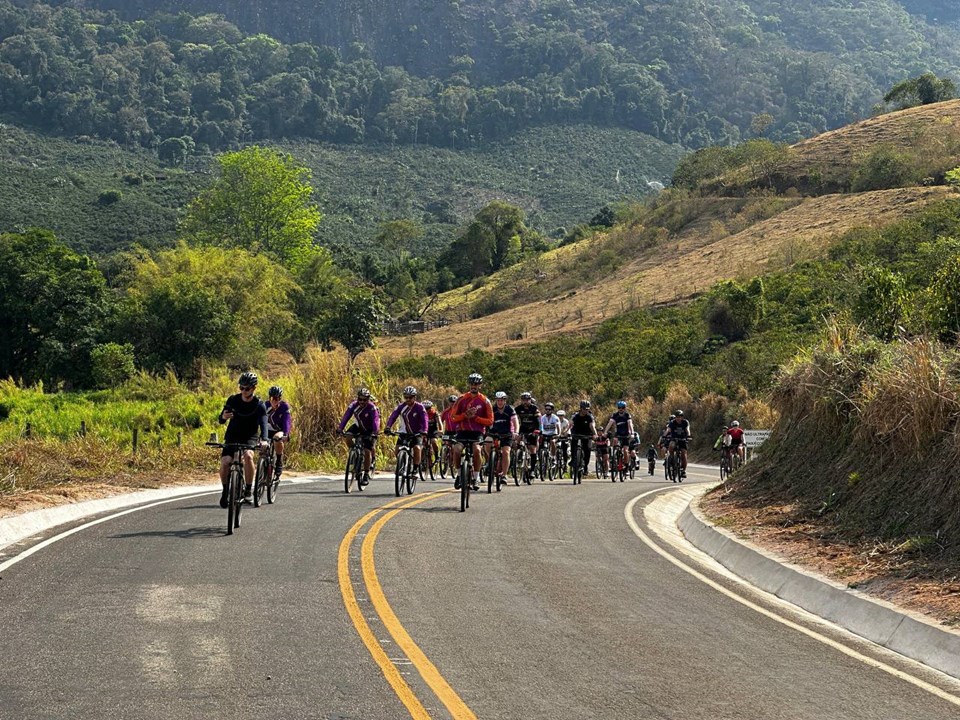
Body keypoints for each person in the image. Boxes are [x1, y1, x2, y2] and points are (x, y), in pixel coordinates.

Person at [218, 371, 269, 507]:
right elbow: (221, 420)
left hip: (250, 436)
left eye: (246, 388)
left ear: (253, 388)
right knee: (225, 462)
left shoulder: (259, 405)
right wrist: (223, 417)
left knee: (248, 456)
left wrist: (264, 439)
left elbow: (264, 424)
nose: (243, 391)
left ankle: (247, 489)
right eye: (241, 387)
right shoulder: (233, 400)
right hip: (233, 435)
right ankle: (225, 490)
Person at [450, 373, 494, 491]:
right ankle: (459, 475)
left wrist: (476, 418)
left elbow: (490, 421)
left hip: (477, 432)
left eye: (476, 384)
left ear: (480, 385)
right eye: (471, 384)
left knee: (477, 450)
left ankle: (476, 477)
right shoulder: (461, 399)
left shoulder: (485, 401)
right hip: (463, 431)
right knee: (457, 450)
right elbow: (453, 417)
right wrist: (464, 415)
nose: (473, 386)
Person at [338, 388, 381, 486]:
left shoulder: (372, 407)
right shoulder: (353, 405)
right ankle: (354, 453)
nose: (362, 402)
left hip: (369, 429)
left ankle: (366, 473)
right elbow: (346, 416)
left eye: (364, 400)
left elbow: (376, 421)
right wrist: (340, 428)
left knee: (367, 451)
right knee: (348, 437)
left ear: (368, 399)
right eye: (360, 399)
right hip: (358, 426)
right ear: (357, 399)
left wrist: (375, 432)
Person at [385, 386, 428, 471]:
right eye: (406, 397)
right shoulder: (401, 406)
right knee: (397, 450)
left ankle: (415, 468)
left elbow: (425, 420)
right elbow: (393, 416)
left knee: (417, 448)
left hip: (417, 433)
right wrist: (388, 427)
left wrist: (424, 430)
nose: (408, 399)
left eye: (410, 397)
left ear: (414, 397)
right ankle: (402, 463)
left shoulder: (420, 407)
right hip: (403, 432)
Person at [487, 391, 518, 486]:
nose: (499, 402)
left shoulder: (510, 409)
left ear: (505, 401)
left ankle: (504, 475)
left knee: (506, 452)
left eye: (501, 400)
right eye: (498, 400)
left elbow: (515, 422)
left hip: (506, 433)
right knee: (486, 442)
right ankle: (490, 462)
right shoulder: (492, 409)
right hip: (494, 432)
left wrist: (516, 432)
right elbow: (488, 421)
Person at [265, 385, 291, 480]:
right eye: (272, 398)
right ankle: (263, 466)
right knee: (263, 449)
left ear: (280, 398)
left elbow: (287, 421)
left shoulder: (284, 406)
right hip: (267, 431)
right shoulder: (265, 405)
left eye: (277, 398)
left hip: (278, 430)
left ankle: (279, 460)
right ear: (269, 398)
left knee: (277, 438)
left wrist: (286, 434)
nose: (274, 401)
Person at [604, 400, 636, 476]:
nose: (621, 409)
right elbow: (610, 423)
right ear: (617, 408)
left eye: (622, 408)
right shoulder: (615, 415)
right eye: (619, 407)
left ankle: (627, 467)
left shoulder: (627, 415)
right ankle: (614, 458)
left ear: (625, 408)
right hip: (618, 434)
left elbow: (630, 424)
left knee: (625, 451)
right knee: (615, 441)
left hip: (626, 435)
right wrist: (605, 432)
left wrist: (632, 433)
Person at [514, 392, 541, 476]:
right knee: (516, 442)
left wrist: (537, 430)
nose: (525, 402)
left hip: (532, 429)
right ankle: (516, 459)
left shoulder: (534, 408)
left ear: (530, 400)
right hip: (523, 428)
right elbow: (513, 418)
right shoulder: (518, 408)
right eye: (523, 400)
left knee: (532, 448)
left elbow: (538, 421)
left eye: (527, 400)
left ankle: (532, 470)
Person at [569, 400, 597, 475]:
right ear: (581, 408)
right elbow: (570, 424)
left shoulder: (589, 416)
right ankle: (573, 460)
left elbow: (592, 426)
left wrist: (595, 434)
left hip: (587, 434)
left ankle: (585, 467)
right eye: (584, 409)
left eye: (587, 409)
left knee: (587, 450)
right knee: (573, 445)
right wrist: (566, 432)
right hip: (576, 433)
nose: (586, 411)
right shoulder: (575, 415)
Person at [539, 402, 562, 479]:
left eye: (549, 409)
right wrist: (540, 432)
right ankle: (540, 458)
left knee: (552, 442)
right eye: (546, 409)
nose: (547, 411)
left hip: (553, 434)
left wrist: (558, 434)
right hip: (545, 434)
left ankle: (553, 457)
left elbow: (558, 426)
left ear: (552, 410)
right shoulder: (543, 417)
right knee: (540, 444)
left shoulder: (555, 418)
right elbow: (541, 426)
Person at [667, 410, 692, 479]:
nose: (678, 418)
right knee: (671, 446)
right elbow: (668, 429)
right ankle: (672, 458)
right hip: (674, 439)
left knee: (684, 454)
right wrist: (665, 435)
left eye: (680, 417)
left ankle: (683, 470)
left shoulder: (685, 422)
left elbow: (687, 429)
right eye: (677, 417)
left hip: (683, 439)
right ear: (675, 417)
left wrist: (688, 435)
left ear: (682, 417)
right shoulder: (672, 423)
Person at [424, 400, 442, 475]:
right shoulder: (422, 413)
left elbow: (440, 423)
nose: (426, 410)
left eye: (428, 408)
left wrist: (440, 430)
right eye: (425, 408)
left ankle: (437, 455)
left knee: (433, 441)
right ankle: (426, 460)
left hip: (433, 430)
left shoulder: (435, 413)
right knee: (423, 444)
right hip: (425, 430)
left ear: (431, 408)